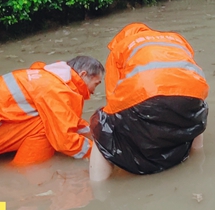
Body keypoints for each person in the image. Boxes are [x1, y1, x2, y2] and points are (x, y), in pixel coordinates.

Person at [89, 23, 208, 179]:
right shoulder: (175, 38)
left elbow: (113, 100)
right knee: (196, 112)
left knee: (103, 126)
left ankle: (98, 187)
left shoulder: (121, 47)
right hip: (192, 92)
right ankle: (198, 160)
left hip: (145, 94)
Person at [0, 56, 103, 166]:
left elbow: (67, 120)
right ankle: (24, 173)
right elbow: (64, 139)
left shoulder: (49, 77)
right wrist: (99, 154)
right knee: (46, 126)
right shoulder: (55, 89)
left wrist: (93, 132)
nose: (95, 90)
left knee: (50, 122)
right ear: (83, 75)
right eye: (96, 84)